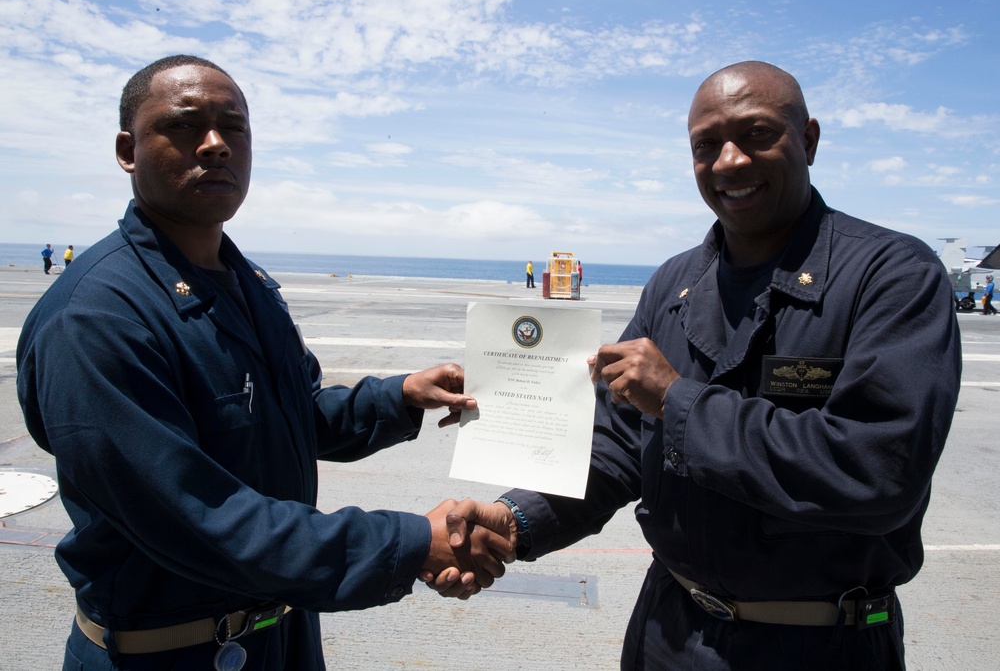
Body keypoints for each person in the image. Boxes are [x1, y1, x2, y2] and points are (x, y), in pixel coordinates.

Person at [434, 61, 961, 669]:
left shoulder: (891, 275)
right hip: (670, 628)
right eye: (706, 146)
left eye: (758, 133)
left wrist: (679, 402)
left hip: (821, 641)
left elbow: (876, 471)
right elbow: (615, 446)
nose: (730, 161)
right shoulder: (674, 284)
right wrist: (513, 520)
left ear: (810, 140)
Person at [16, 55, 511, 671]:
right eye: (185, 124)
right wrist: (411, 543)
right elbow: (195, 516)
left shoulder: (246, 284)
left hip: (278, 636)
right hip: (166, 655)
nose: (217, 144)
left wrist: (401, 395)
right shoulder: (96, 318)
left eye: (235, 127)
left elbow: (293, 415)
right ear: (127, 150)